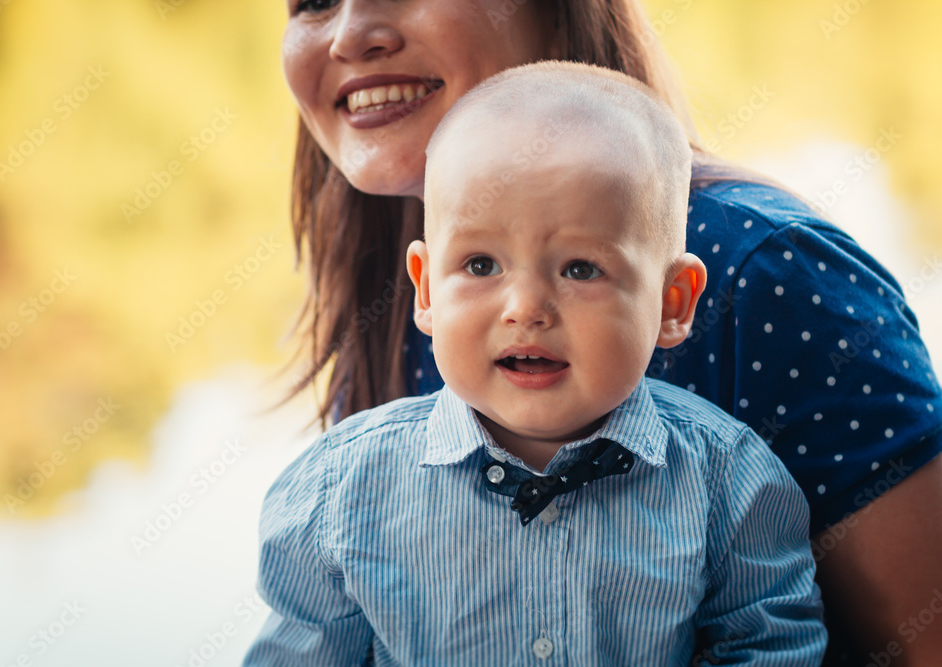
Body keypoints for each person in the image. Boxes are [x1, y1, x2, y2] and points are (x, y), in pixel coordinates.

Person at [277, 1, 942, 663]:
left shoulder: (770, 275)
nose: (349, 35)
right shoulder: (384, 330)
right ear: (425, 283)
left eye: (581, 269)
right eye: (312, 1)